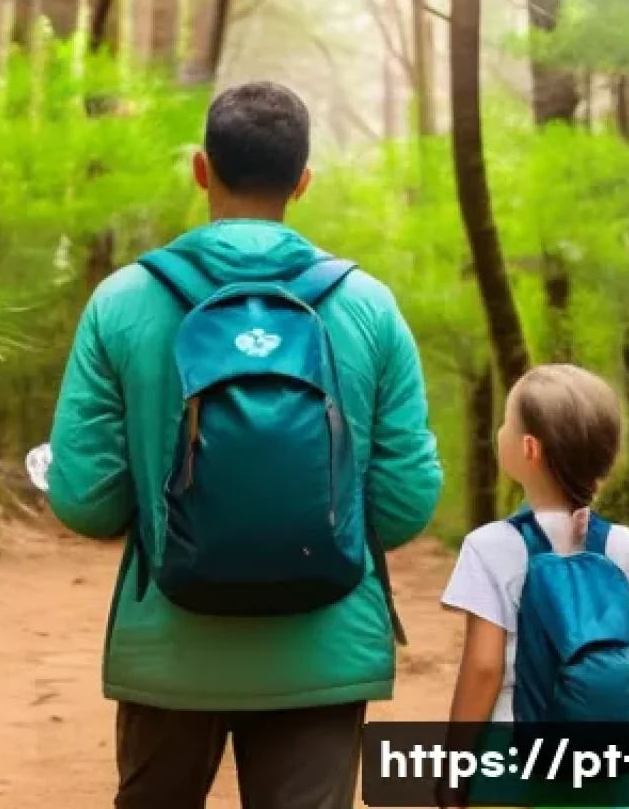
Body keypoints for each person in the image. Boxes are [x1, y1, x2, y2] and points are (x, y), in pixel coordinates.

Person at [47, 82, 443, 808]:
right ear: (303, 181)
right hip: (324, 645)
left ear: (202, 169)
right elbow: (406, 500)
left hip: (168, 646)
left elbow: (85, 500)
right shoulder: (368, 307)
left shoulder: (124, 299)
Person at [440, 364, 629, 806]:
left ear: (528, 449)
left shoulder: (490, 545)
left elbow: (484, 668)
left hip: (512, 760)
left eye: (506, 421)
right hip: (608, 762)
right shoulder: (619, 543)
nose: (499, 430)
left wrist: (455, 765)